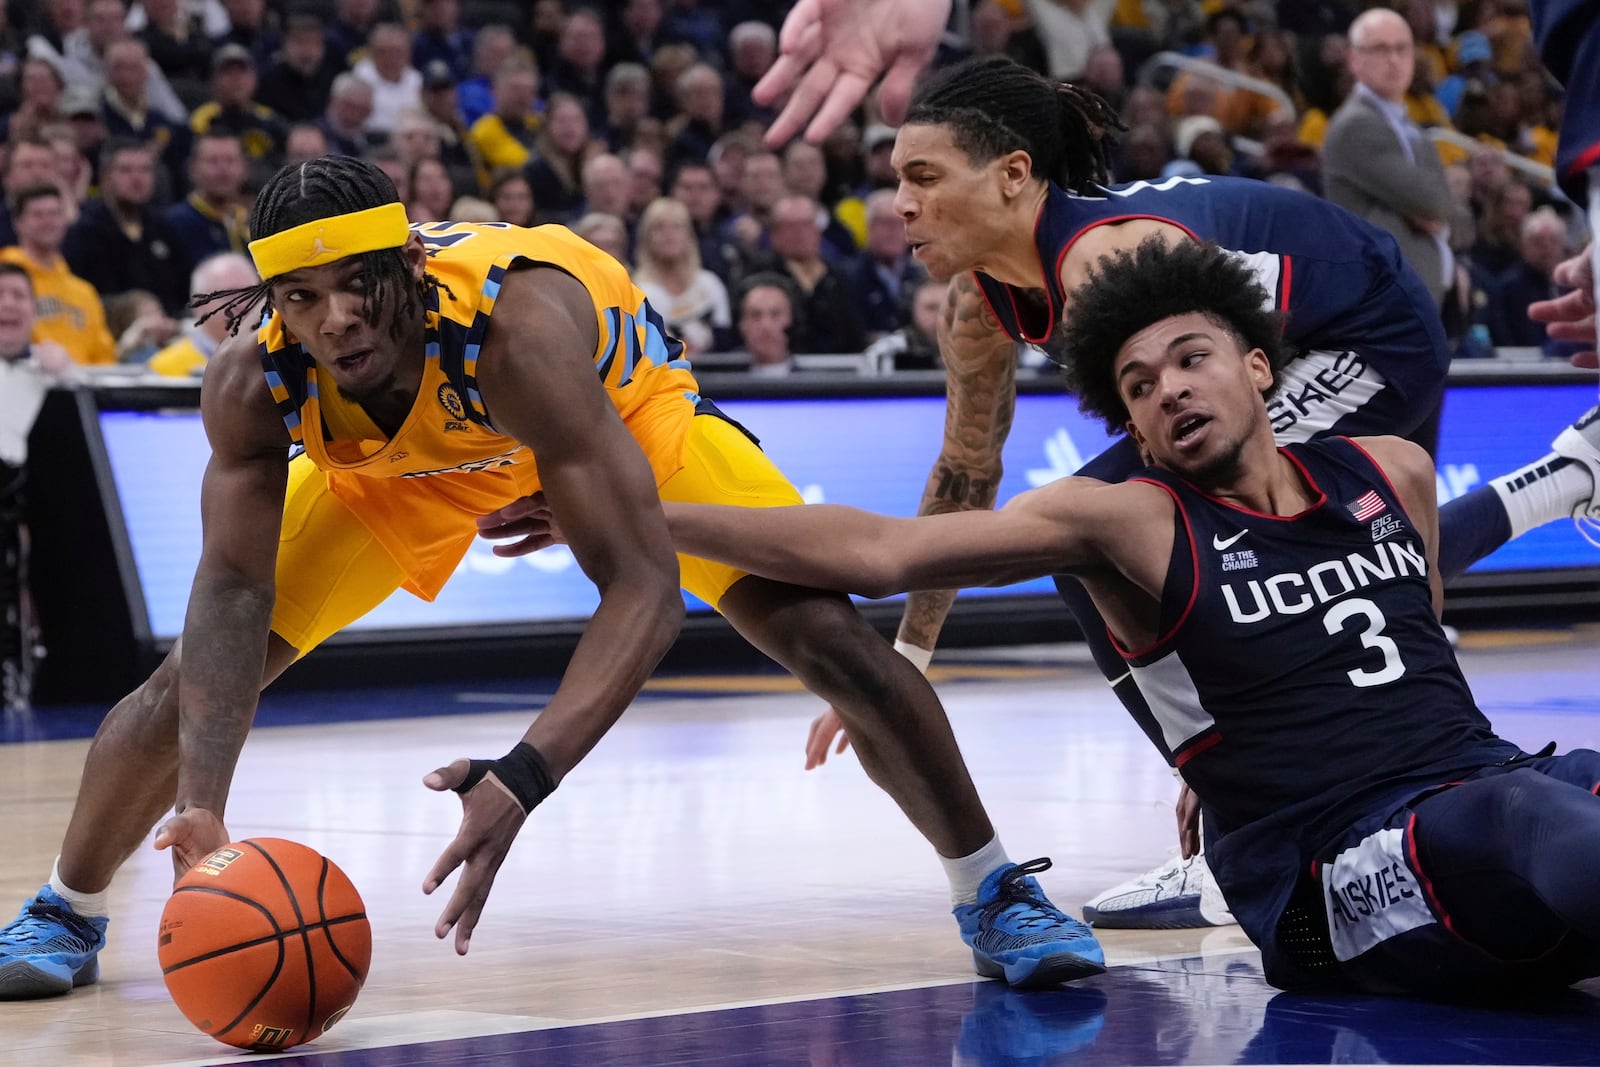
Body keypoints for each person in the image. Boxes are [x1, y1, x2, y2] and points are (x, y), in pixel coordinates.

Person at [0, 154, 1102, 999]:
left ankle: (995, 887)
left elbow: (643, 589)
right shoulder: (252, 377)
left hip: (621, 426)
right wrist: (206, 798)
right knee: (184, 684)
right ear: (267, 302)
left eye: (359, 286)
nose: (335, 318)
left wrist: (522, 774)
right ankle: (67, 909)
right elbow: (233, 587)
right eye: (302, 295)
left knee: (829, 641)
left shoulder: (515, 329)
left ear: (411, 266)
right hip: (401, 474)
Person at [496, 239, 1600, 997]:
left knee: (1564, 783)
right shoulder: (1128, 522)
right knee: (1523, 819)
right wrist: (629, 507)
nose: (1164, 389)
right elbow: (879, 551)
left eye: (1189, 358)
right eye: (1135, 384)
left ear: (1259, 368)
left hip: (1463, 799)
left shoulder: (1392, 468)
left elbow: (1410, 650)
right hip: (1322, 878)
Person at [806, 56, 1600, 931]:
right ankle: (1566, 475)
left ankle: (1232, 825)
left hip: (1365, 326)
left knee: (1124, 533)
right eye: (894, 183)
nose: (901, 206)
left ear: (1013, 176)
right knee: (1137, 536)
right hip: (1286, 340)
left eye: (923, 177)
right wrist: (909, 658)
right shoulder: (979, 304)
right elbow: (965, 472)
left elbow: (1204, 424)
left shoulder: (1110, 263)